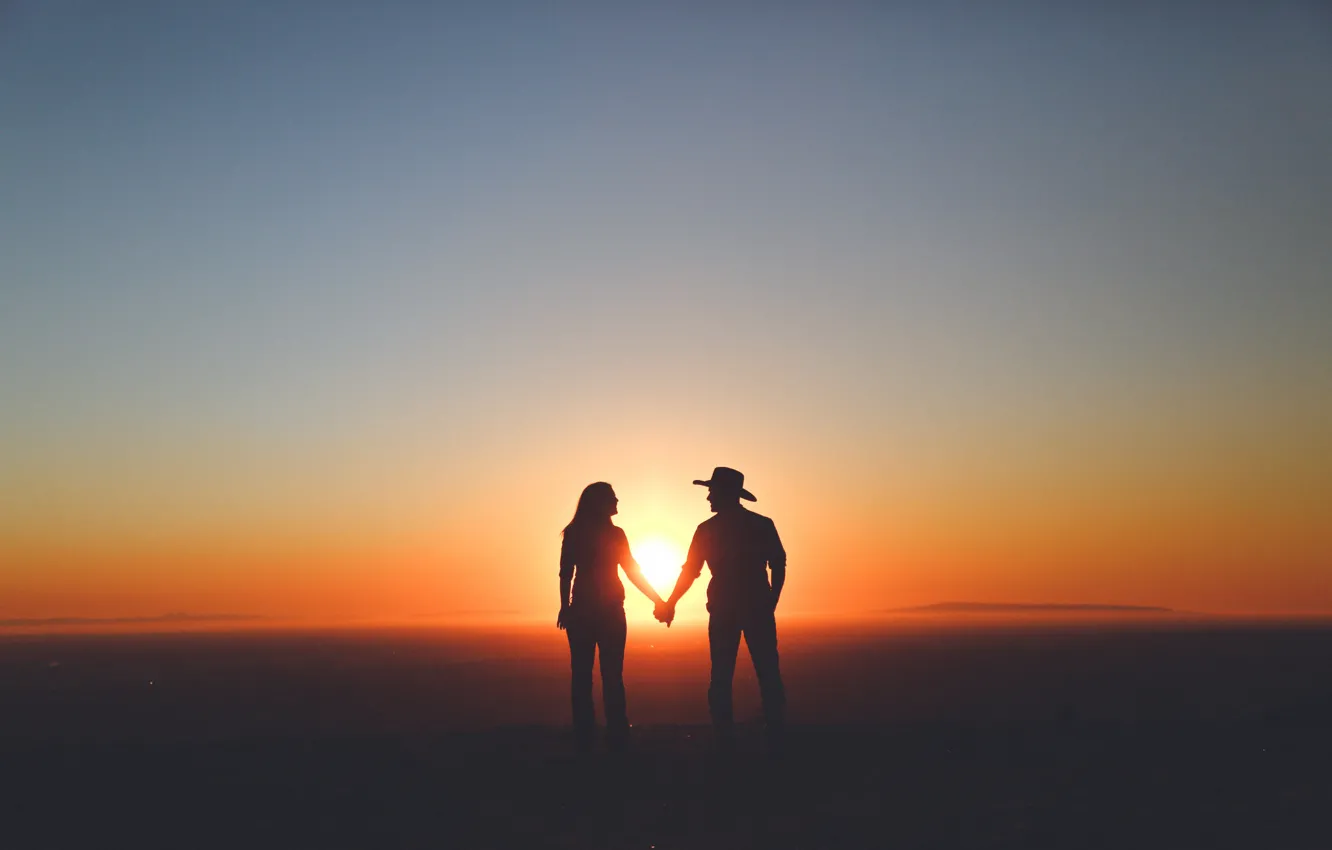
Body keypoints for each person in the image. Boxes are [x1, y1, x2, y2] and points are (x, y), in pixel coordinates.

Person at [656, 467, 787, 751]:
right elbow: (778, 563)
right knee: (768, 672)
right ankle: (776, 735)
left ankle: (724, 739)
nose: (708, 498)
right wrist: (771, 601)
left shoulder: (707, 530)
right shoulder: (762, 524)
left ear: (724, 494)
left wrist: (671, 603)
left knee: (721, 676)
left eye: (711, 491)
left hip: (724, 609)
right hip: (757, 607)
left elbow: (690, 572)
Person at [558, 481, 666, 751]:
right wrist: (659, 601)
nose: (618, 501)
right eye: (613, 498)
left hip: (582, 609)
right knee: (612, 676)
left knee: (581, 676)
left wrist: (565, 607)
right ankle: (617, 734)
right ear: (601, 503)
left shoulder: (574, 533)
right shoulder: (615, 534)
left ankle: (585, 735)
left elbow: (565, 573)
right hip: (609, 612)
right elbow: (631, 571)